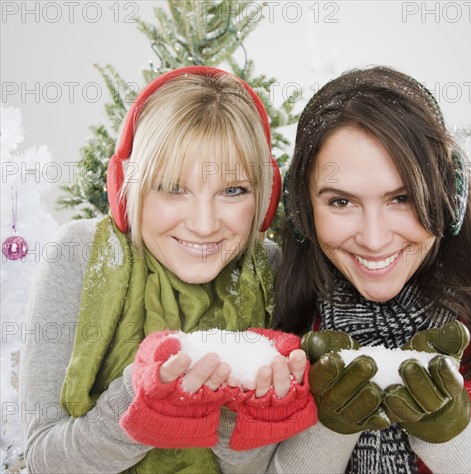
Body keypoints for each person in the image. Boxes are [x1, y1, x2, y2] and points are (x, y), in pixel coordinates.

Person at [276, 66, 471, 473]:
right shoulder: (279, 280)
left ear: (449, 192)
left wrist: (448, 438)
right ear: (302, 208)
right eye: (340, 202)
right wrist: (330, 429)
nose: (374, 239)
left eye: (402, 197)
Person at [20, 66, 324, 473]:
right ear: (127, 189)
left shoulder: (271, 268)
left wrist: (240, 418)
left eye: (233, 191)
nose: (203, 224)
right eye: (171, 188)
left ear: (264, 199)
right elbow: (42, 460)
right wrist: (139, 406)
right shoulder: (78, 254)